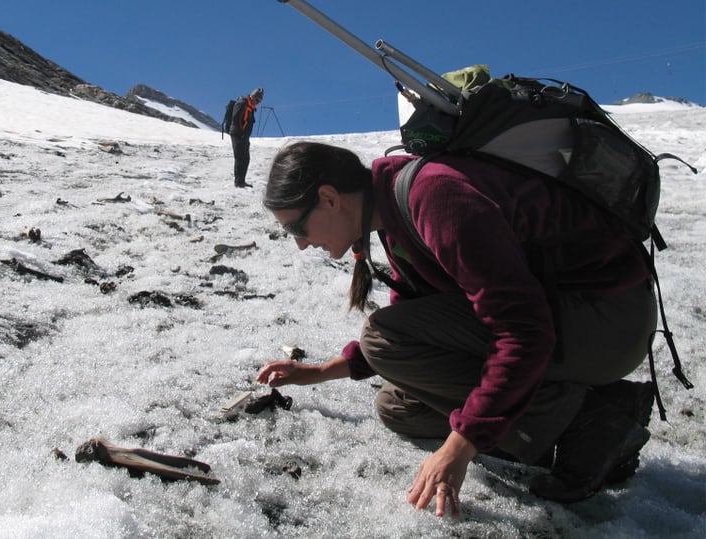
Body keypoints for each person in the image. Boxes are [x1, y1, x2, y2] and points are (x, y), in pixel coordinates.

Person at [256, 141, 657, 518]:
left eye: (295, 229)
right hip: (569, 319)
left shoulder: (436, 197)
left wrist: (462, 444)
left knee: (384, 340)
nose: (302, 246)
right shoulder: (393, 213)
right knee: (399, 407)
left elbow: (523, 331)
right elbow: (420, 316)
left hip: (608, 317)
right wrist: (322, 372)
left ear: (329, 198)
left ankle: (589, 424)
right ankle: (602, 406)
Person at [229, 87, 263, 188]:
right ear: (252, 96)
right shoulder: (243, 102)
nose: (257, 102)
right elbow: (236, 118)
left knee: (246, 158)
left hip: (244, 136)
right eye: (257, 99)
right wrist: (241, 133)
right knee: (240, 158)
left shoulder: (251, 107)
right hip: (238, 134)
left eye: (259, 101)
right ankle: (238, 182)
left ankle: (241, 180)